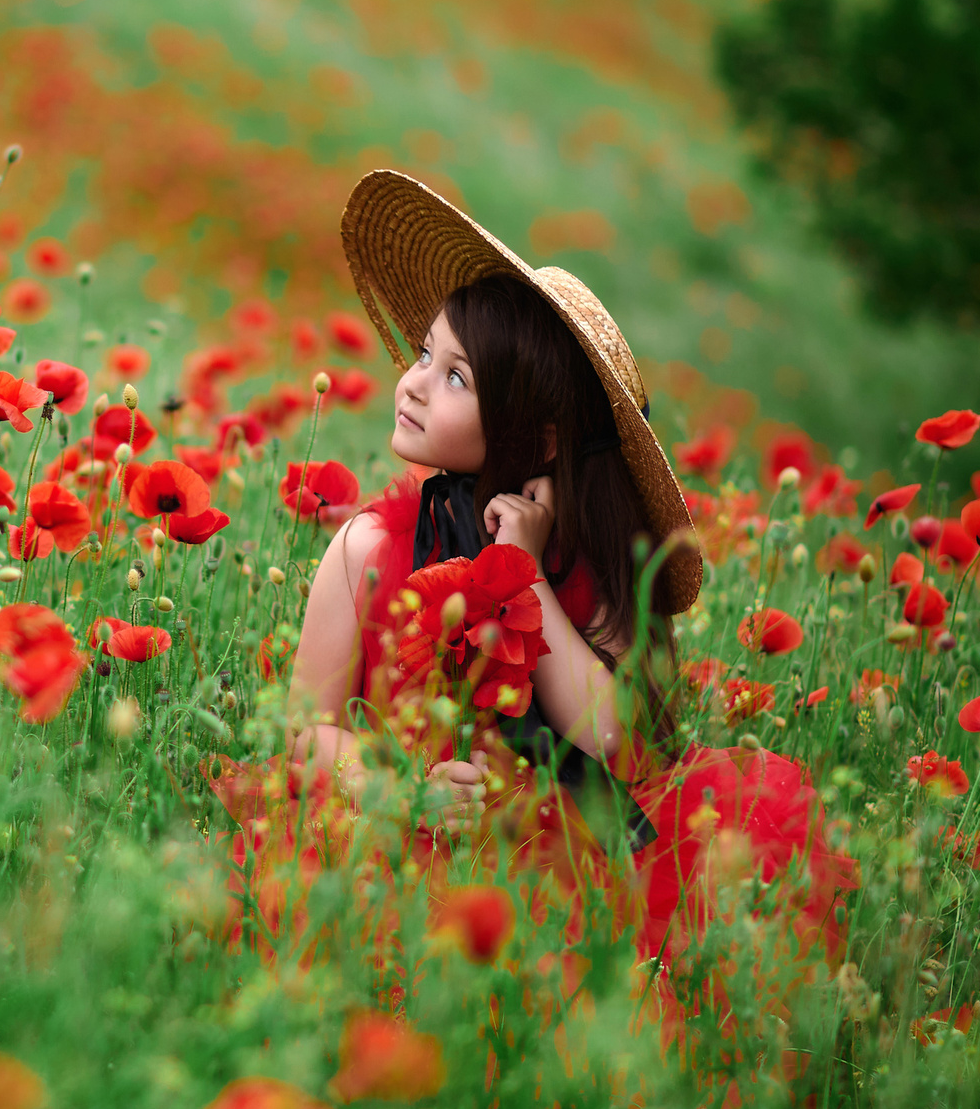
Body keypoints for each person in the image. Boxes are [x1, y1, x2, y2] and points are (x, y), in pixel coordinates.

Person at [288, 169, 853, 980]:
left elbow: (611, 738)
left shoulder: (590, 574)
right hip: (403, 835)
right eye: (423, 353)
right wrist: (400, 789)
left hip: (561, 866)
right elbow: (305, 728)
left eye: (455, 376)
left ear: (541, 438)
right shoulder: (367, 551)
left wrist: (531, 581)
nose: (412, 381)